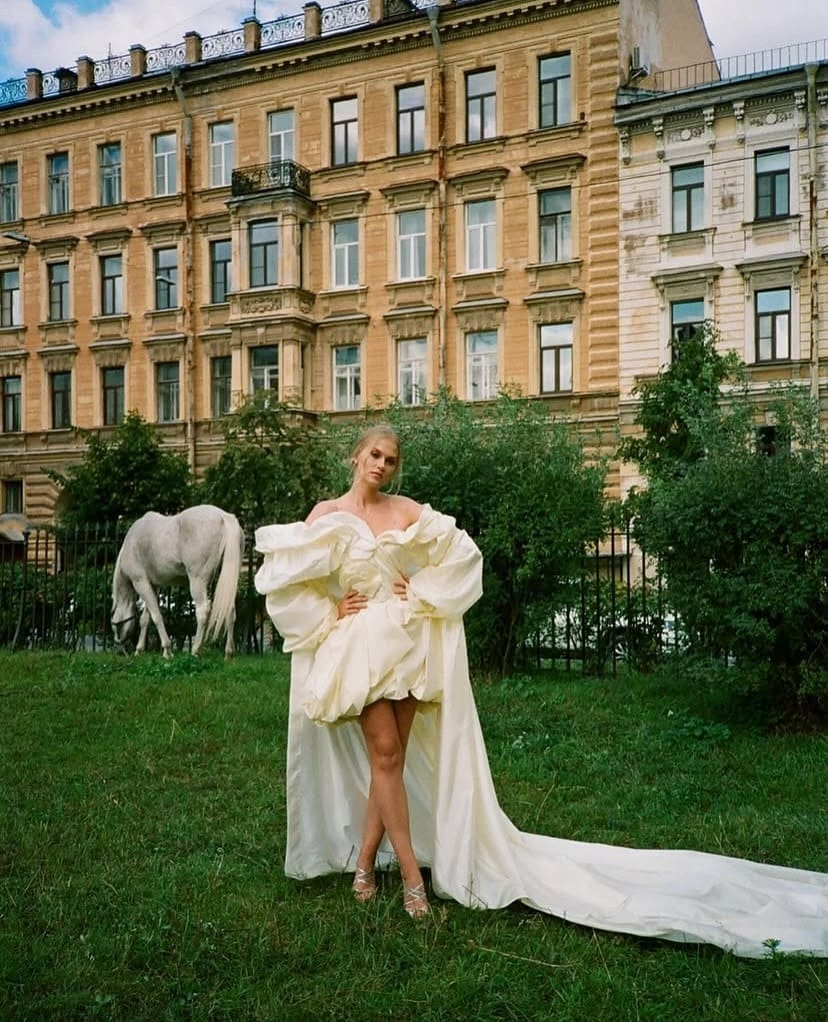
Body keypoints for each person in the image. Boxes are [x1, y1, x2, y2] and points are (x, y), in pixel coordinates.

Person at [255, 425, 828, 955]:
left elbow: (463, 558)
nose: (381, 465)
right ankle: (410, 881)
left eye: (391, 459)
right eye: (374, 455)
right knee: (384, 754)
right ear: (356, 456)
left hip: (407, 642)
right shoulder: (325, 514)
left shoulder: (406, 510)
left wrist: (421, 588)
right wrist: (332, 606)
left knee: (394, 761)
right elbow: (283, 584)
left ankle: (362, 865)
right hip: (361, 645)